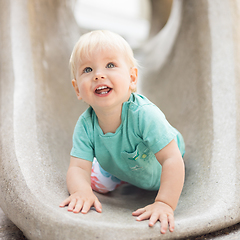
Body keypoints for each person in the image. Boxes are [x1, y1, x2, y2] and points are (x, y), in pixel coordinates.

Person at [59, 30, 185, 234]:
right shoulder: (85, 125)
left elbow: (172, 159)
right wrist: (82, 192)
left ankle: (121, 170)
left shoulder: (145, 116)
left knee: (168, 152)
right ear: (77, 90)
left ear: (132, 78)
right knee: (93, 183)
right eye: (88, 69)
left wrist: (164, 203)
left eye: (110, 65)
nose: (98, 75)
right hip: (124, 167)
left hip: (161, 167)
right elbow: (78, 168)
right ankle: (118, 174)